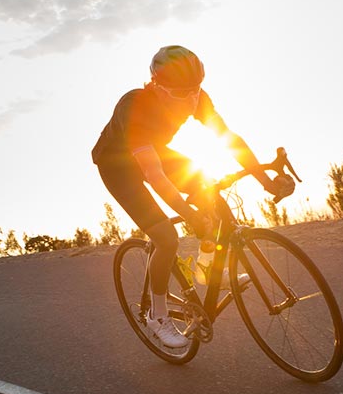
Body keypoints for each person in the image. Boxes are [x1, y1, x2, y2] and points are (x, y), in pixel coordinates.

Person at [92, 45, 283, 349]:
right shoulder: (136, 105)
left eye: (195, 90)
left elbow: (229, 138)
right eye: (181, 93)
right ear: (156, 85)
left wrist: (265, 180)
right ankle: (157, 316)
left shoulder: (197, 98)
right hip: (118, 166)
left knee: (209, 193)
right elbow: (155, 175)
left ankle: (207, 270)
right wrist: (189, 214)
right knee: (167, 238)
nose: (191, 99)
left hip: (155, 152)